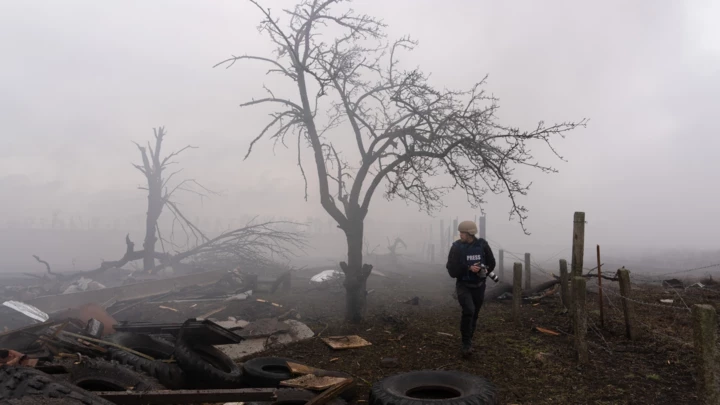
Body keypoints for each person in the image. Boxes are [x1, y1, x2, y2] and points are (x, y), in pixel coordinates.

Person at [446, 220, 496, 357]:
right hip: (463, 285)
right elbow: (451, 269)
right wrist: (468, 268)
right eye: (460, 232)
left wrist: (483, 269)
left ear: (470, 233)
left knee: (474, 314)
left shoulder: (482, 245)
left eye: (463, 233)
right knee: (469, 310)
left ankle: (469, 338)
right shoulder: (456, 247)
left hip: (479, 285)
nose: (460, 235)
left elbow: (492, 262)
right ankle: (466, 343)